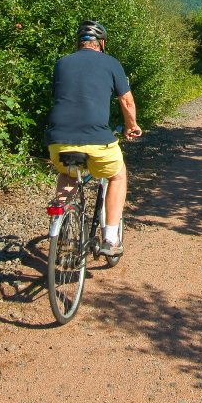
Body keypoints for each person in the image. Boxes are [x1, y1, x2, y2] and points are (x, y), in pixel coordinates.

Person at [44, 19, 141, 258]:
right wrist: (132, 126)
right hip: (97, 140)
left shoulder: (62, 63)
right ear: (102, 43)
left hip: (58, 140)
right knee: (118, 175)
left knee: (67, 173)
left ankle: (63, 224)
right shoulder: (111, 63)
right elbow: (126, 101)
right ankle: (110, 237)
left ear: (79, 43)